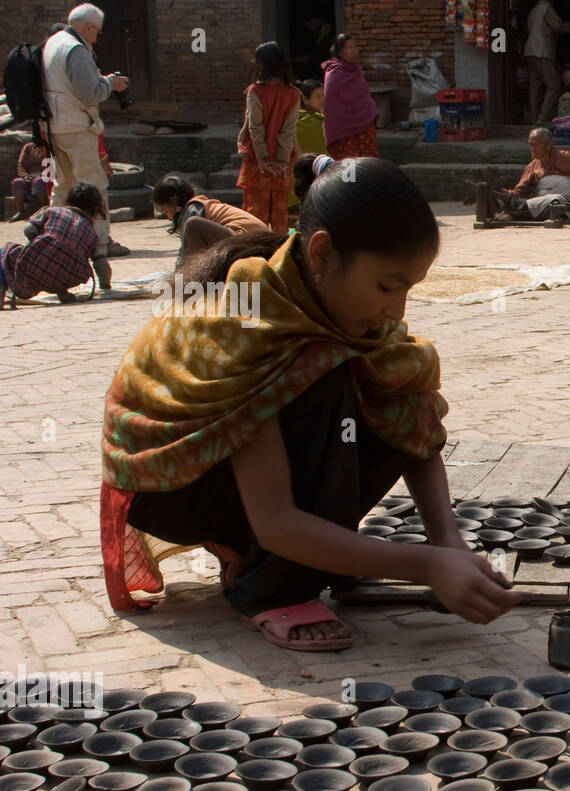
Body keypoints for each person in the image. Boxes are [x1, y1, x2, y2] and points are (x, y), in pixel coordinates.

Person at [100, 156, 520, 650]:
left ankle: (306, 554)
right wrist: (426, 566)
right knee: (330, 374)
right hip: (170, 485)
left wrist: (448, 542)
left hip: (248, 485)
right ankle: (273, 588)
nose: (396, 309)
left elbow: (418, 432)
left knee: (391, 380)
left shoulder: (344, 316)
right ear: (321, 253)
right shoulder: (249, 327)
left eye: (409, 287)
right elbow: (277, 522)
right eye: (388, 286)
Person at [41, 5, 130, 264]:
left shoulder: (53, 43)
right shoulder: (76, 49)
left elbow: (69, 84)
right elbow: (88, 93)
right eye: (96, 32)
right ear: (88, 27)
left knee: (64, 185)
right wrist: (110, 84)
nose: (96, 38)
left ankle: (51, 238)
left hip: (56, 126)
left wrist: (100, 79)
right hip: (78, 127)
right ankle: (101, 244)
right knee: (95, 186)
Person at [475, 127, 570, 223]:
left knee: (553, 200)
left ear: (548, 146)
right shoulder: (533, 166)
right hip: (545, 207)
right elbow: (520, 191)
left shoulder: (562, 157)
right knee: (539, 203)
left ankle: (510, 212)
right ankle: (507, 210)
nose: (532, 148)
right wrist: (503, 193)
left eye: (536, 145)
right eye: (530, 144)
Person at [0, 181, 106, 305]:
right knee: (62, 260)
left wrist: (40, 246)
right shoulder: (93, 234)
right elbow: (101, 264)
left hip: (37, 268)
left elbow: (28, 229)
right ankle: (62, 292)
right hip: (70, 277)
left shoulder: (52, 211)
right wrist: (105, 285)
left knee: (5, 251)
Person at [236, 41, 300, 233]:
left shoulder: (255, 91)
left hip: (257, 161)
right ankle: (280, 254)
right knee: (280, 216)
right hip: (282, 162)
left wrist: (263, 158)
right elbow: (288, 131)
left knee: (255, 216)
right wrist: (281, 160)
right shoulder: (293, 93)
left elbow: (256, 128)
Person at [152, 174, 272, 267]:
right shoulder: (199, 206)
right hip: (254, 242)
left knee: (193, 224)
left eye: (165, 211)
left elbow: (187, 253)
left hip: (250, 241)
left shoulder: (193, 209)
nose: (168, 217)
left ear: (173, 200)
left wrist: (177, 279)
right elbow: (185, 249)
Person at [322, 35, 379, 160]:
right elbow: (331, 105)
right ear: (339, 52)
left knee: (367, 163)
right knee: (349, 167)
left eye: (355, 47)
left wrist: (370, 112)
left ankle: (367, 180)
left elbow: (363, 96)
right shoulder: (334, 74)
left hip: (364, 124)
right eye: (349, 48)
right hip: (344, 130)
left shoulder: (356, 69)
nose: (354, 51)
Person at [524, 0, 570, 125]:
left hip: (530, 51)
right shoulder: (546, 8)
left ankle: (534, 118)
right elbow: (558, 26)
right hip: (542, 51)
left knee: (535, 86)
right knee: (554, 85)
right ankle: (543, 118)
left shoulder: (534, 10)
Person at [288, 80, 326, 215]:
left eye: (323, 95)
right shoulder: (310, 123)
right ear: (305, 99)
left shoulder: (316, 119)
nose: (322, 100)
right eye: (318, 96)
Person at [9, 142, 50, 222]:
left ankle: (44, 213)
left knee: (39, 181)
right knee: (17, 182)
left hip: (44, 178)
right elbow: (20, 164)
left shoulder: (48, 146)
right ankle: (21, 213)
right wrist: (25, 176)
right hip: (29, 177)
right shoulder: (28, 147)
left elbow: (52, 166)